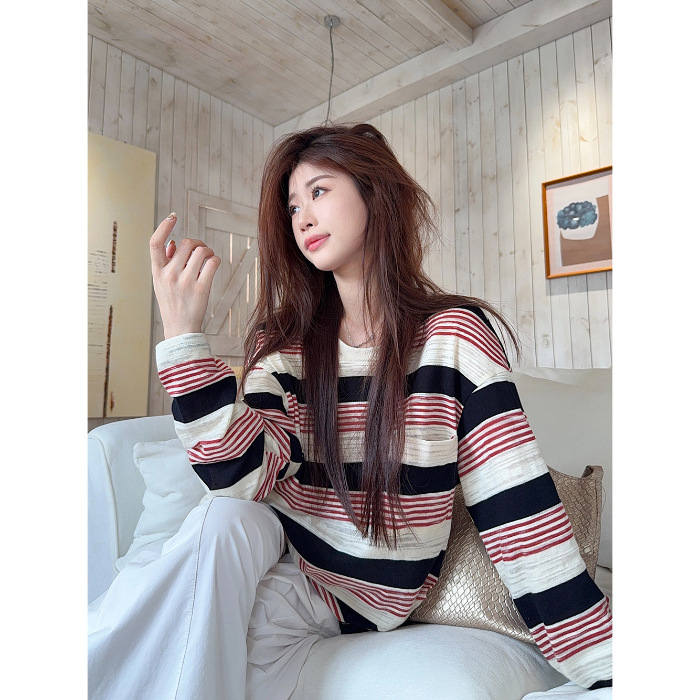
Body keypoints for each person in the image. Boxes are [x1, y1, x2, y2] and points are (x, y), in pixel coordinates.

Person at [88, 123, 612, 698]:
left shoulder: (453, 337)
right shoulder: (284, 344)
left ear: (373, 192)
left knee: (182, 599)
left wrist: (605, 665)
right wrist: (183, 334)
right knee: (222, 519)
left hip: (365, 590)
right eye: (293, 206)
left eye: (318, 191)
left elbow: (518, 507)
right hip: (281, 550)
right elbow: (239, 476)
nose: (302, 218)